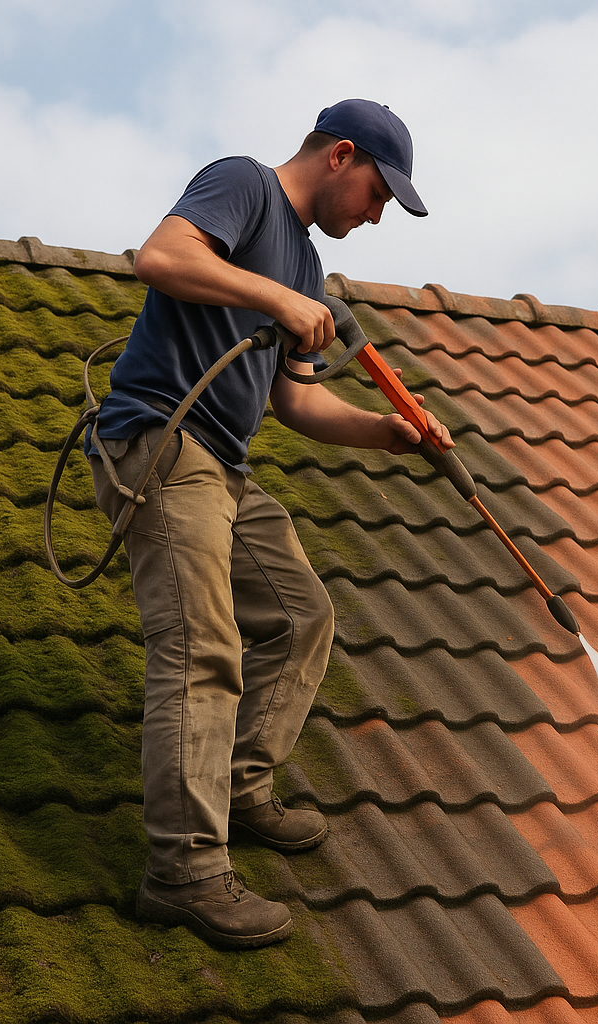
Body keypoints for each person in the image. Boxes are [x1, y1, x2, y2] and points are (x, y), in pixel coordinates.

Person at [87, 99, 452, 949]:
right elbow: (160, 257)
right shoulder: (243, 186)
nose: (376, 216)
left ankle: (240, 787)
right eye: (377, 194)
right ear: (341, 156)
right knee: (202, 648)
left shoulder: (311, 269)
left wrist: (386, 431)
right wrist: (276, 298)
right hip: (163, 439)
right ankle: (183, 873)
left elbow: (296, 400)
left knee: (301, 616)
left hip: (223, 465)